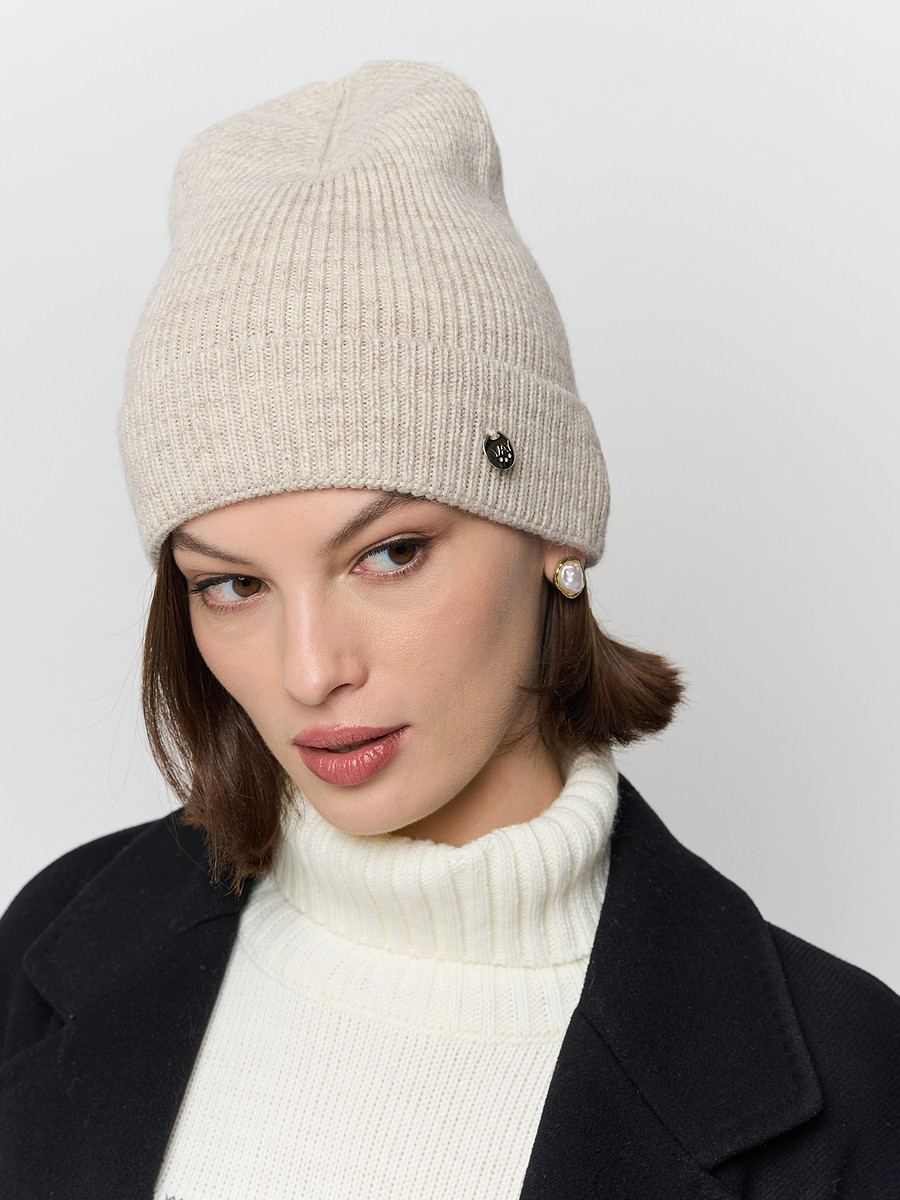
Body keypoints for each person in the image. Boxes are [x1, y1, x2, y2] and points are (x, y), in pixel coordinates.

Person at [1, 60, 898, 1200]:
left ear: (554, 527)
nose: (310, 672)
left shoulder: (851, 1084)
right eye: (232, 585)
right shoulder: (57, 937)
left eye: (389, 554)